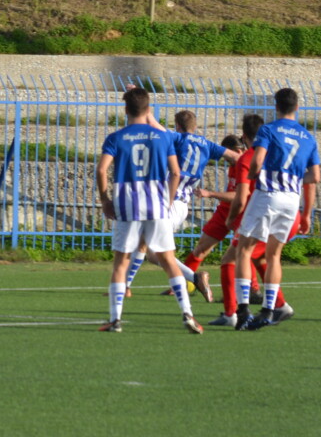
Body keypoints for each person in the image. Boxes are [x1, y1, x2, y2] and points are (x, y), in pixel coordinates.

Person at [95, 87, 202, 335]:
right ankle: (187, 313)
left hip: (127, 206)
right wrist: (169, 199)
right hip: (157, 205)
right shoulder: (162, 137)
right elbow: (175, 172)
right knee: (168, 260)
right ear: (148, 109)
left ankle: (115, 319)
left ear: (126, 110)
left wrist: (105, 200)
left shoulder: (116, 137)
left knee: (121, 262)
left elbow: (101, 170)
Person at [125, 110, 238, 302]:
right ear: (196, 126)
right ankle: (194, 278)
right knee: (152, 251)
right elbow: (235, 157)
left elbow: (155, 126)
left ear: (178, 126)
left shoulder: (178, 138)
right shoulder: (208, 144)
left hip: (170, 201)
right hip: (182, 205)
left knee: (146, 245)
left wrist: (144, 108)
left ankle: (126, 287)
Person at [232, 87, 320, 331]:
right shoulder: (308, 137)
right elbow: (314, 176)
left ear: (276, 106)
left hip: (267, 194)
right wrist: (304, 207)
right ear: (297, 107)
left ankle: (243, 310)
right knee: (273, 255)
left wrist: (254, 175)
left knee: (244, 250)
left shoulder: (268, 130)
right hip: (291, 200)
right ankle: (268, 310)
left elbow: (258, 160)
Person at [183, 115, 262, 311]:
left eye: (229, 156)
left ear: (238, 151)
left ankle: (252, 293)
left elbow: (239, 196)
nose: (227, 161)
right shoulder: (237, 165)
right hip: (225, 210)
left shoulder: (247, 163)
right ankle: (183, 284)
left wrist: (210, 193)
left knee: (242, 254)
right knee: (201, 247)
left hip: (242, 211)